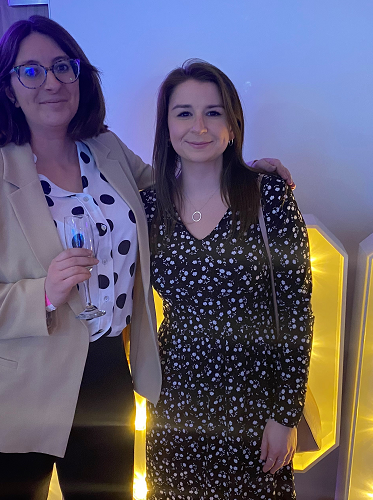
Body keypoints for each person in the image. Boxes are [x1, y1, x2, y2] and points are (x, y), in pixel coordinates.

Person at [0, 16, 292, 500]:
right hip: (15, 383)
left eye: (63, 66)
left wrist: (248, 171)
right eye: (31, 71)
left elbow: (178, 184)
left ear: (81, 76)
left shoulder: (105, 150)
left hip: (105, 370)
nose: (53, 82)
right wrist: (40, 293)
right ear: (9, 88)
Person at [141, 60, 314, 499]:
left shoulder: (268, 196)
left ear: (232, 125)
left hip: (255, 401)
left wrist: (285, 414)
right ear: (166, 126)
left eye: (213, 112)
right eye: (184, 113)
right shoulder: (147, 206)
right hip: (176, 399)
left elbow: (296, 311)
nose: (198, 126)